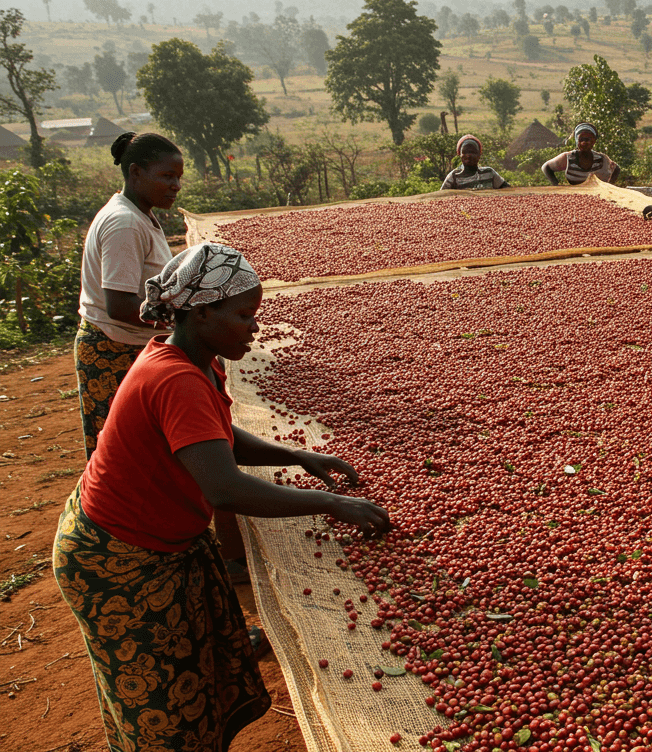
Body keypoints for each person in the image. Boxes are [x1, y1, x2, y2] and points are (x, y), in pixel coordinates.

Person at [52, 243, 392, 752]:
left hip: (152, 542)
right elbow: (224, 487)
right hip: (119, 558)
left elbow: (215, 436)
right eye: (244, 315)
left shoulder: (190, 359)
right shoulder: (175, 378)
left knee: (194, 683)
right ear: (203, 312)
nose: (254, 328)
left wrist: (295, 456)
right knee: (162, 709)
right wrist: (331, 503)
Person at [75, 132, 181, 458]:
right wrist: (184, 324)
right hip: (114, 352)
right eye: (167, 176)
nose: (176, 185)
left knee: (143, 451)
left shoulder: (139, 215)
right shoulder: (124, 224)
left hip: (131, 347)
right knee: (119, 456)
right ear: (136, 172)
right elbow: (120, 305)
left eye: (178, 177)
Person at [542, 123, 620, 185]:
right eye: (581, 139)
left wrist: (610, 186)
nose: (584, 143)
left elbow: (616, 169)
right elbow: (546, 167)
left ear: (593, 141)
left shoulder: (602, 159)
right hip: (575, 195)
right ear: (577, 141)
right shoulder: (568, 157)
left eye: (587, 139)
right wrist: (556, 184)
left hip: (599, 196)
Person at [442, 134, 509, 190]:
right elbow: (441, 197)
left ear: (479, 154)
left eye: (473, 152)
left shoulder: (489, 173)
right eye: (465, 152)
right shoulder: (454, 177)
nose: (468, 156)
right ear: (460, 154)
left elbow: (508, 190)